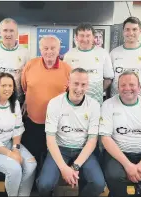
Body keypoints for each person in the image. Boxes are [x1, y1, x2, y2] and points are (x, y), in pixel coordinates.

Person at [37, 68, 105, 197]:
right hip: (60, 148)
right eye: (76, 83)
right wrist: (63, 168)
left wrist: (75, 167)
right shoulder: (55, 103)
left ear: (88, 85)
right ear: (68, 83)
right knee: (44, 185)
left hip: (82, 149)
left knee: (98, 184)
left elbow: (92, 141)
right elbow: (50, 140)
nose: (79, 88)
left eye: (83, 84)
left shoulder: (94, 105)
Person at [21, 35, 72, 171]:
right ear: (40, 49)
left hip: (57, 124)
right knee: (33, 156)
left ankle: (48, 186)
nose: (49, 51)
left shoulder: (67, 69)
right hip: (33, 122)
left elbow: (70, 95)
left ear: (59, 49)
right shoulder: (30, 65)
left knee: (52, 158)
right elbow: (25, 87)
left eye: (53, 48)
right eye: (45, 48)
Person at [64, 23, 114, 106]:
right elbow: (66, 80)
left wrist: (96, 91)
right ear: (76, 37)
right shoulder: (69, 55)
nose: (85, 39)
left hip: (96, 101)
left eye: (88, 35)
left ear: (93, 37)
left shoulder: (103, 53)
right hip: (75, 102)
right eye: (81, 35)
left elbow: (108, 79)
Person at [0, 18, 30, 105]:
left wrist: (28, 98)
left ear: (17, 33)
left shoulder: (25, 52)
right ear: (0, 33)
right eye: (5, 30)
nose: (8, 34)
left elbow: (29, 79)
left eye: (12, 31)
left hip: (18, 99)